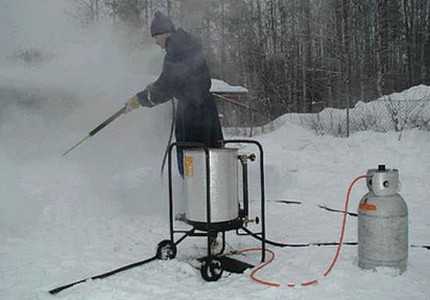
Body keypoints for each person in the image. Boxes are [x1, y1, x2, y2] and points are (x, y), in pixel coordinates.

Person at [125, 11, 224, 175]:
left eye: (156, 38)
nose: (157, 44)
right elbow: (173, 81)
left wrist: (140, 99)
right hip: (206, 113)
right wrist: (154, 89)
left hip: (193, 117)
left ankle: (196, 198)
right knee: (212, 163)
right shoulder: (186, 45)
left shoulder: (176, 49)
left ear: (164, 34)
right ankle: (213, 198)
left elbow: (165, 87)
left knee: (191, 165)